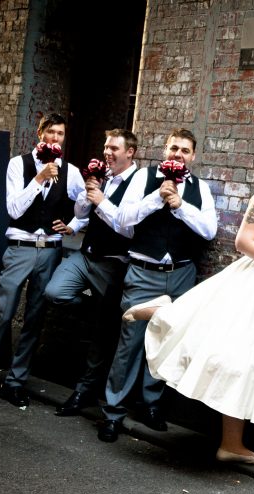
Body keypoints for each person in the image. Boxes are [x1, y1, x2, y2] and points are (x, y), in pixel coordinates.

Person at [126, 117, 254, 463]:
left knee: (251, 364)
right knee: (238, 358)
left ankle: (231, 444)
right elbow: (246, 242)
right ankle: (163, 311)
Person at [96, 128, 217, 442]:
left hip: (181, 274)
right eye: (174, 148)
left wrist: (179, 205)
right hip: (143, 273)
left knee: (166, 342)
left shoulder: (199, 188)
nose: (178, 154)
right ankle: (113, 412)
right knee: (130, 343)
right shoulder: (144, 178)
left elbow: (208, 230)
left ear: (193, 156)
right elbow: (123, 221)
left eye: (185, 150)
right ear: (165, 150)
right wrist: (157, 197)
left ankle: (152, 404)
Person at [0, 113, 85, 407]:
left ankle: (15, 382)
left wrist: (74, 227)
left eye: (60, 134)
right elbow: (14, 209)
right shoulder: (19, 164)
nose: (55, 138)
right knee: (2, 313)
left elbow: (86, 206)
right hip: (20, 247)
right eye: (51, 132)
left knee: (35, 318)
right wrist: (40, 179)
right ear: (40, 133)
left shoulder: (72, 171)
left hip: (51, 250)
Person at [44, 129, 142, 416]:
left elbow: (129, 228)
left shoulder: (138, 182)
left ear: (130, 152)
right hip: (85, 256)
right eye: (106, 147)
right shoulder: (105, 177)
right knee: (54, 292)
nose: (107, 152)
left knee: (103, 333)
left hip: (112, 263)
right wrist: (89, 195)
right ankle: (99, 312)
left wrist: (101, 201)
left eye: (113, 148)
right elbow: (81, 212)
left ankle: (85, 391)